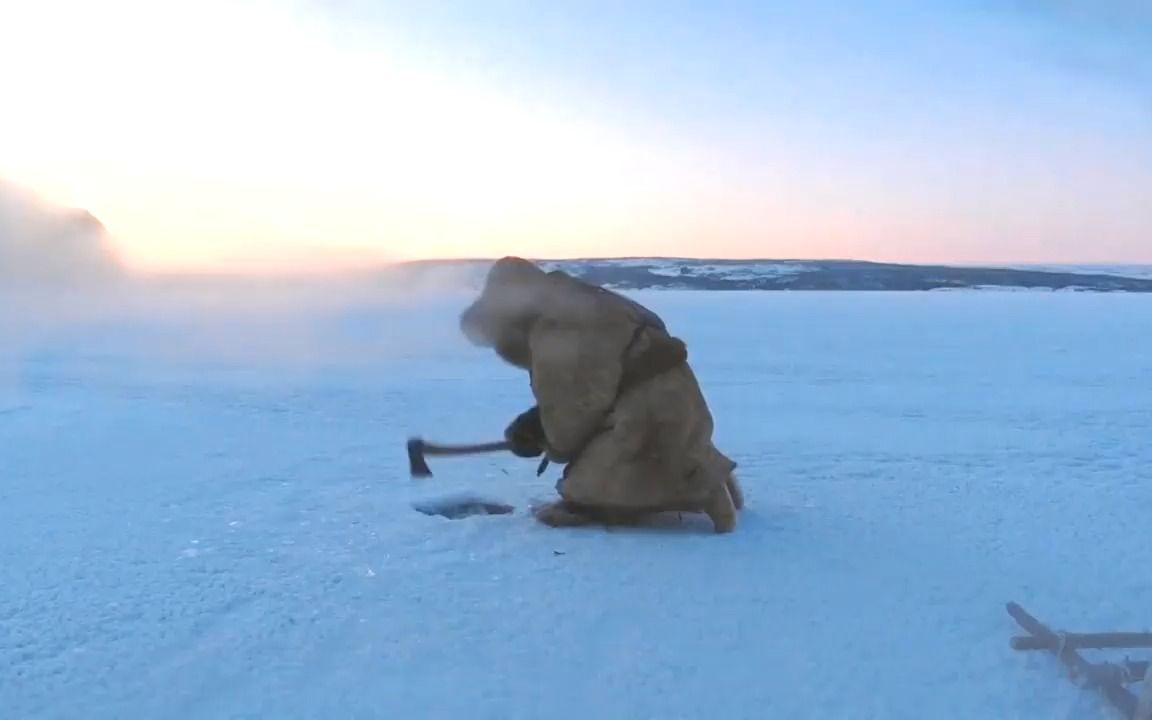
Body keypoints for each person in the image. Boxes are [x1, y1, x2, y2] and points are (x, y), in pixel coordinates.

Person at [458, 256, 743, 533]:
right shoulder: (582, 298)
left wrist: (545, 438)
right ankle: (709, 471)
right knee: (682, 440)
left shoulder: (555, 329)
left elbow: (575, 412)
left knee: (587, 488)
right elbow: (598, 379)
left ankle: (701, 487)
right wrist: (540, 421)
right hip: (680, 394)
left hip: (646, 411)